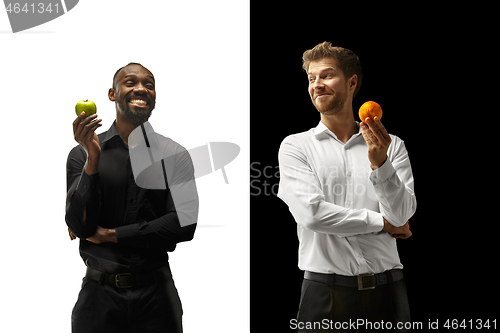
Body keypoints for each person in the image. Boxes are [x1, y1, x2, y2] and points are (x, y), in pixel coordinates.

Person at [277, 42, 416, 332]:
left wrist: (381, 164)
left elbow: (401, 215)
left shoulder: (393, 145)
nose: (317, 85)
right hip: (324, 296)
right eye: (311, 78)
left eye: (326, 76)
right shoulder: (295, 146)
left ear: (352, 82)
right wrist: (382, 222)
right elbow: (313, 215)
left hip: (389, 294)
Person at [66, 62, 199, 333]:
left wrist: (112, 234)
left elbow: (184, 225)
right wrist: (93, 159)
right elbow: (80, 227)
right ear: (112, 94)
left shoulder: (174, 154)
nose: (141, 88)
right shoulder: (81, 154)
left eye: (149, 84)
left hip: (157, 299)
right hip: (98, 299)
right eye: (130, 82)